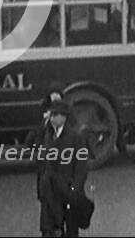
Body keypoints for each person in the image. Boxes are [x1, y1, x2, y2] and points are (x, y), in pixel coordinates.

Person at [37, 99, 89, 237]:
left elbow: (81, 167)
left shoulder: (75, 137)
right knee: (50, 229)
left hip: (68, 191)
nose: (52, 118)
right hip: (51, 191)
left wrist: (75, 189)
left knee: (71, 227)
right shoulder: (47, 135)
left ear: (64, 117)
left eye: (55, 115)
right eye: (51, 115)